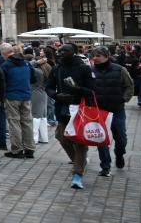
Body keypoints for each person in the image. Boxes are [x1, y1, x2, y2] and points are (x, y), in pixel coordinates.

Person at [47, 43, 94, 188]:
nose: (61, 52)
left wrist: (77, 89)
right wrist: (57, 95)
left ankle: (77, 174)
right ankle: (80, 161)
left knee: (80, 141)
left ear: (73, 52)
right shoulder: (57, 68)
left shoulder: (84, 68)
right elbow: (48, 87)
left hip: (80, 108)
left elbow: (92, 89)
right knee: (62, 137)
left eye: (65, 50)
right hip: (63, 108)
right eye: (60, 50)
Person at [89, 46, 133, 177]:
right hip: (99, 111)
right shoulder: (90, 71)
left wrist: (123, 99)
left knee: (121, 138)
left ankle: (119, 154)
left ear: (106, 56)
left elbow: (129, 86)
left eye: (98, 55)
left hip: (116, 110)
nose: (95, 58)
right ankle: (105, 166)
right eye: (93, 56)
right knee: (101, 139)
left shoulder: (120, 70)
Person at [1, 44, 37, 159]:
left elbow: (2, 83)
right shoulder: (26, 63)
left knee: (14, 122)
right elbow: (33, 79)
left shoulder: (6, 65)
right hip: (26, 95)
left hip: (12, 96)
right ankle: (30, 149)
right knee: (27, 122)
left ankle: (17, 150)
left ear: (4, 54)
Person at [28, 47, 51, 144]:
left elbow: (28, 66)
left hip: (35, 93)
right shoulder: (48, 68)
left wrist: (35, 62)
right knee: (42, 116)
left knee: (35, 115)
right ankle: (44, 138)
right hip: (44, 93)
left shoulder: (37, 71)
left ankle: (34, 138)